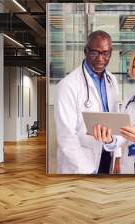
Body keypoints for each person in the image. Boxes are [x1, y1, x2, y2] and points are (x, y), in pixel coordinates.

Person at [55, 30, 120, 174]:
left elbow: (115, 121)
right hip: (80, 163)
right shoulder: (68, 85)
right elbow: (66, 137)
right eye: (94, 53)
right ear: (85, 51)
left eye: (105, 53)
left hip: (107, 154)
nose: (100, 59)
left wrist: (118, 155)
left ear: (111, 53)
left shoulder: (112, 80)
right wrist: (88, 170)